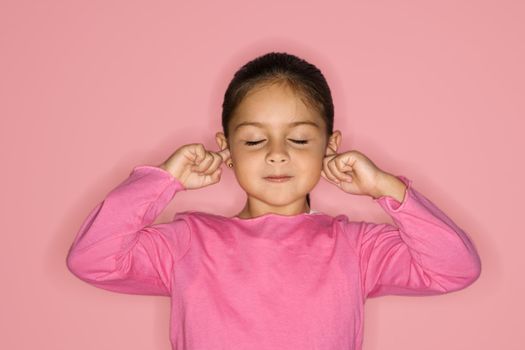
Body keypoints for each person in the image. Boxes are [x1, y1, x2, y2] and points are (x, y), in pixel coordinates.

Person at [66, 51, 482, 350]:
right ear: (226, 146)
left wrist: (385, 188)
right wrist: (164, 180)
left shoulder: (357, 248)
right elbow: (93, 259)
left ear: (330, 146)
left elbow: (454, 268)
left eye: (299, 139)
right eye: (253, 139)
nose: (277, 153)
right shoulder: (187, 242)